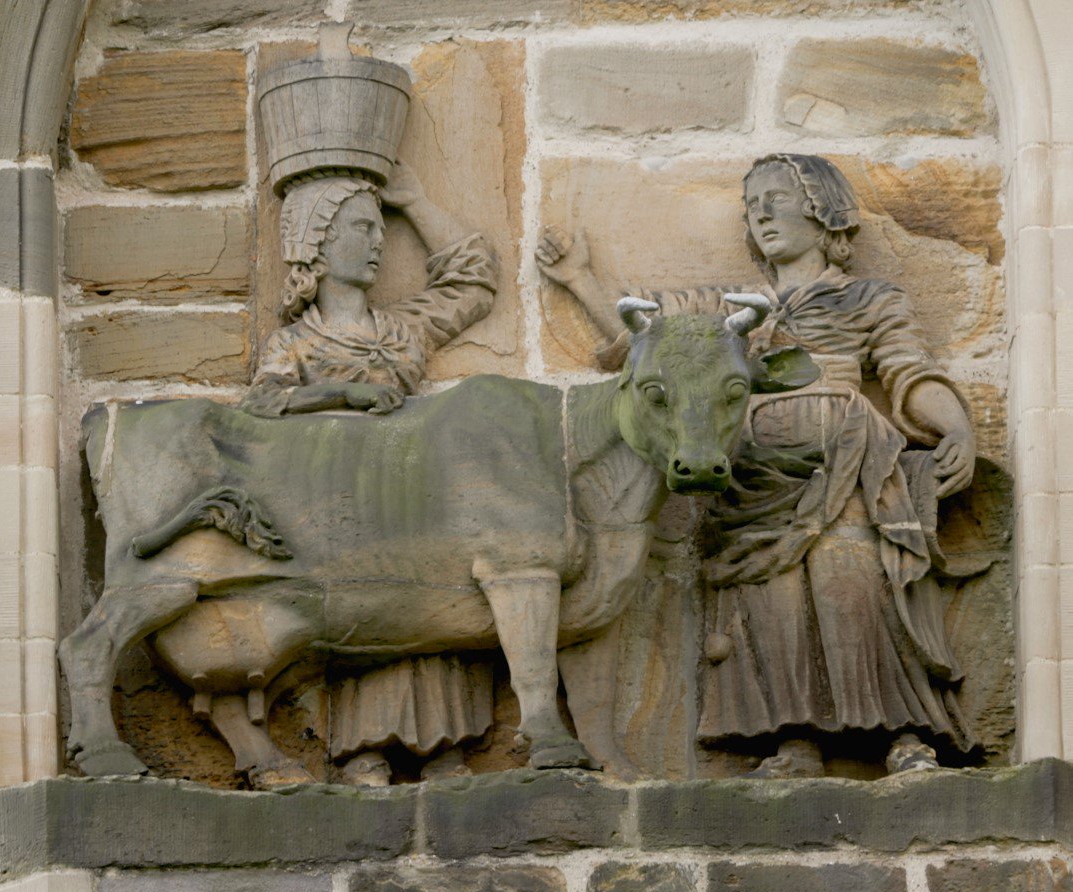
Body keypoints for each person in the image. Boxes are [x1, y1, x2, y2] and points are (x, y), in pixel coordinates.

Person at [536, 153, 980, 776]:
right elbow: (646, 327)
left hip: (845, 464)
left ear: (823, 209)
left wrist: (955, 426)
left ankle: (903, 735)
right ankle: (795, 737)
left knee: (853, 586)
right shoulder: (723, 308)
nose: (762, 211)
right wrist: (582, 279)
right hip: (749, 475)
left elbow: (909, 369)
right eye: (752, 203)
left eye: (778, 196)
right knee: (771, 604)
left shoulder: (868, 297)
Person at [244, 161, 497, 784]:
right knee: (366, 620)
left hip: (416, 494)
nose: (379, 241)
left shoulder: (403, 331)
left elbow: (473, 280)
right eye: (362, 227)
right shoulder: (297, 343)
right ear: (318, 246)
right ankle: (362, 748)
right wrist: (342, 396)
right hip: (344, 506)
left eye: (380, 227)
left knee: (435, 609)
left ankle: (444, 743)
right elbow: (262, 403)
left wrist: (413, 201)